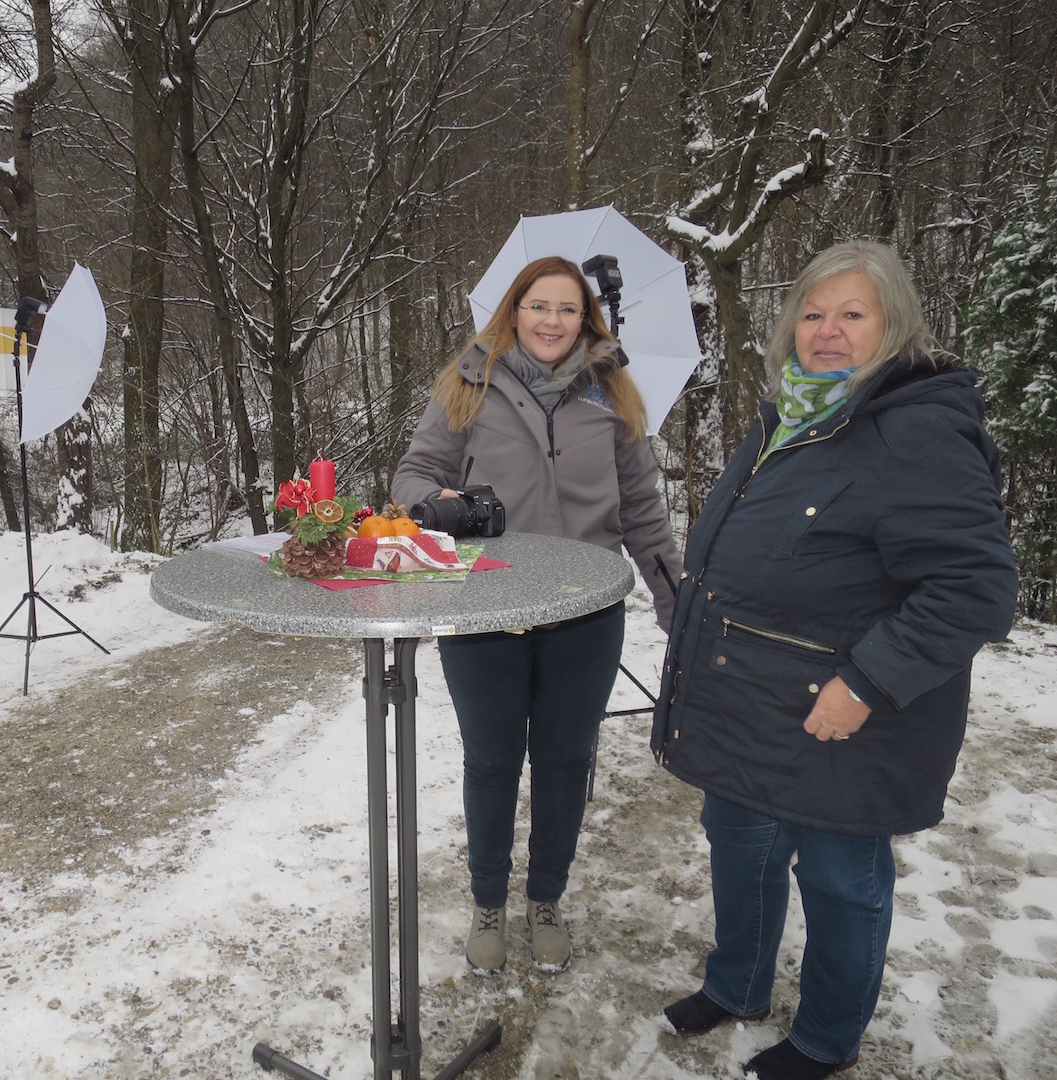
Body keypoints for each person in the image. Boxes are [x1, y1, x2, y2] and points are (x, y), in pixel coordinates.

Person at [651, 241, 1019, 1080]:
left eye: (853, 314)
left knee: (840, 876)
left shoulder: (916, 429)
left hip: (841, 711)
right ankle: (737, 985)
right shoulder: (792, 414)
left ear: (895, 325)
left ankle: (825, 1039)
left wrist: (868, 681)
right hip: (749, 696)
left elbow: (975, 587)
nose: (827, 331)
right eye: (813, 314)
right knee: (737, 841)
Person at [393, 255, 680, 974]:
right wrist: (434, 504)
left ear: (587, 319)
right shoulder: (468, 384)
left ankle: (545, 899)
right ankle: (488, 902)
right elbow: (415, 471)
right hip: (483, 607)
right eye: (538, 306)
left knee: (565, 761)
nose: (552, 321)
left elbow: (642, 508)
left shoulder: (613, 395)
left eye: (568, 309)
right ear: (514, 311)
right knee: (492, 763)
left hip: (586, 611)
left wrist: (676, 600)